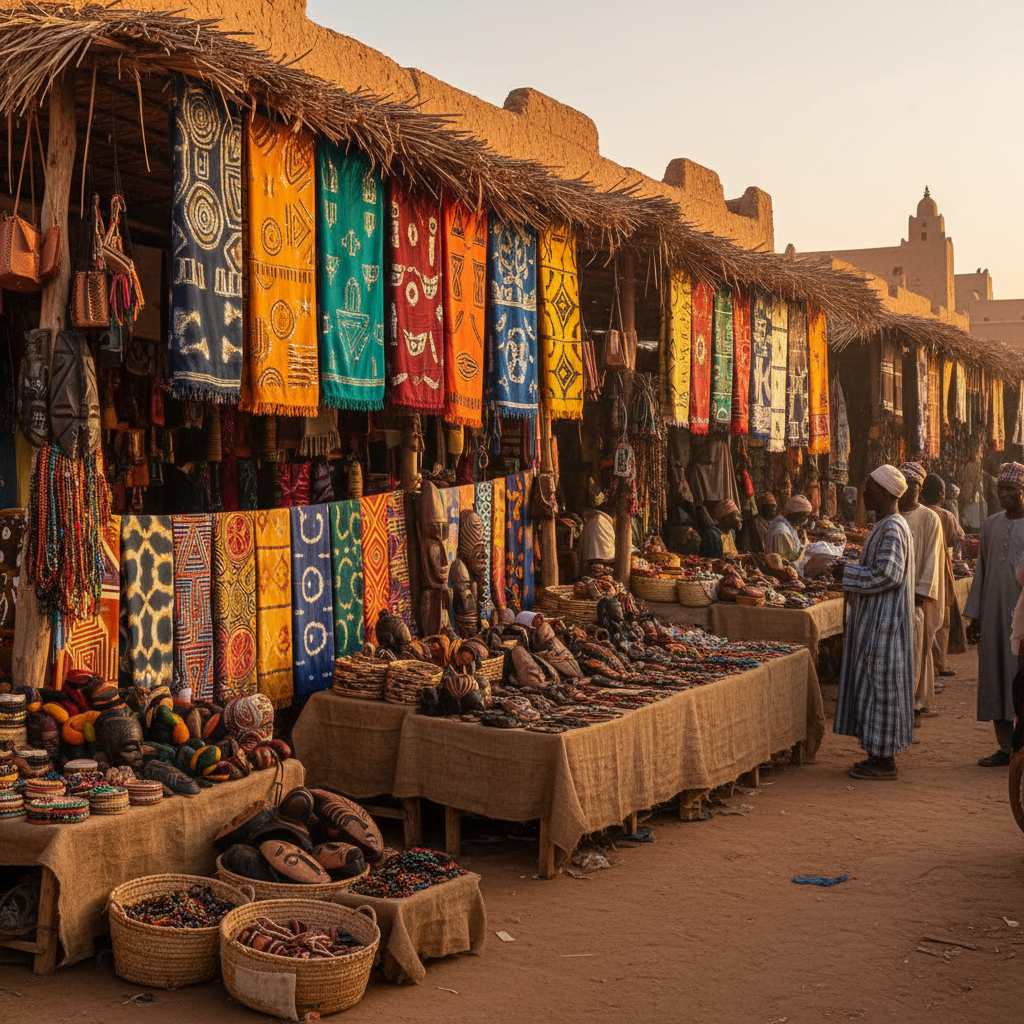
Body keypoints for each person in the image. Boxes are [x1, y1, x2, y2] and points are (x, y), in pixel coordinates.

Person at [832, 465, 916, 780]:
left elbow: (888, 574)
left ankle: (883, 762)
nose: (865, 493)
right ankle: (876, 756)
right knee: (874, 688)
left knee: (880, 688)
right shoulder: (888, 525)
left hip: (885, 625)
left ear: (883, 491)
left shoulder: (893, 527)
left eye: (869, 487)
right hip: (878, 621)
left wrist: (847, 574)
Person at [964, 462, 1024, 767]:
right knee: (995, 676)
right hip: (992, 614)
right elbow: (981, 573)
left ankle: (1020, 748)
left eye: (1011, 489)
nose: (1005, 495)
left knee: (1020, 678)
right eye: (1001, 489)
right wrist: (975, 615)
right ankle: (1004, 747)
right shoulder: (990, 525)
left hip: (1021, 619)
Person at [898, 462, 945, 718]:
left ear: (919, 488)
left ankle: (914, 702)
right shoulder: (891, 514)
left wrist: (919, 593)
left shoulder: (930, 517)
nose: (908, 492)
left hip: (916, 597)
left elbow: (931, 561)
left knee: (916, 648)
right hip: (893, 595)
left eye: (913, 487)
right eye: (904, 486)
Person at [921, 473, 966, 680]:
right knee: (942, 616)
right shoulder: (946, 515)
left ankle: (928, 662)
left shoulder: (919, 513)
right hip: (940, 565)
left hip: (922, 567)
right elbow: (958, 539)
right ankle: (939, 662)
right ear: (939, 494)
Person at [766, 494, 811, 567]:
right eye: (805, 516)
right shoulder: (782, 532)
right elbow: (786, 562)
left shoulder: (787, 525)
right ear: (795, 514)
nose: (806, 519)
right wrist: (803, 546)